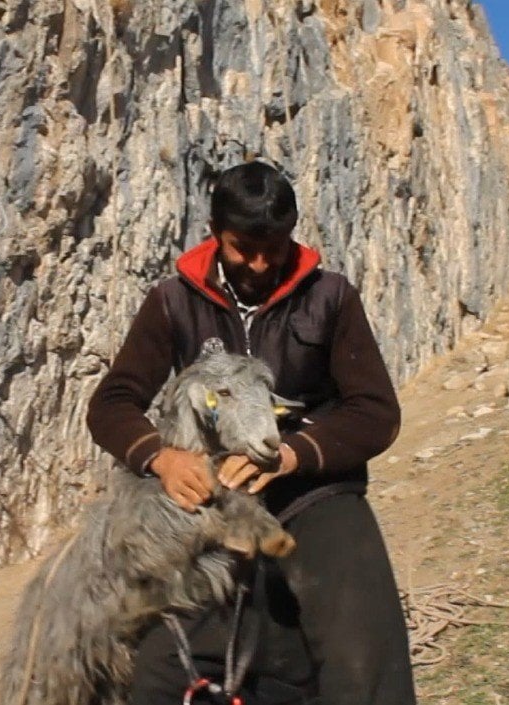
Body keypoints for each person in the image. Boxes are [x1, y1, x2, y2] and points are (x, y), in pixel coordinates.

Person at [87, 161, 416, 705]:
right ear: (216, 234)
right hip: (210, 503)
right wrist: (164, 459)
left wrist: (292, 456)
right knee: (156, 671)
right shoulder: (172, 302)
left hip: (314, 493)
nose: (261, 264)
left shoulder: (330, 297)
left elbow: (375, 411)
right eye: (244, 249)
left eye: (276, 247)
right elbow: (112, 404)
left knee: (364, 656)